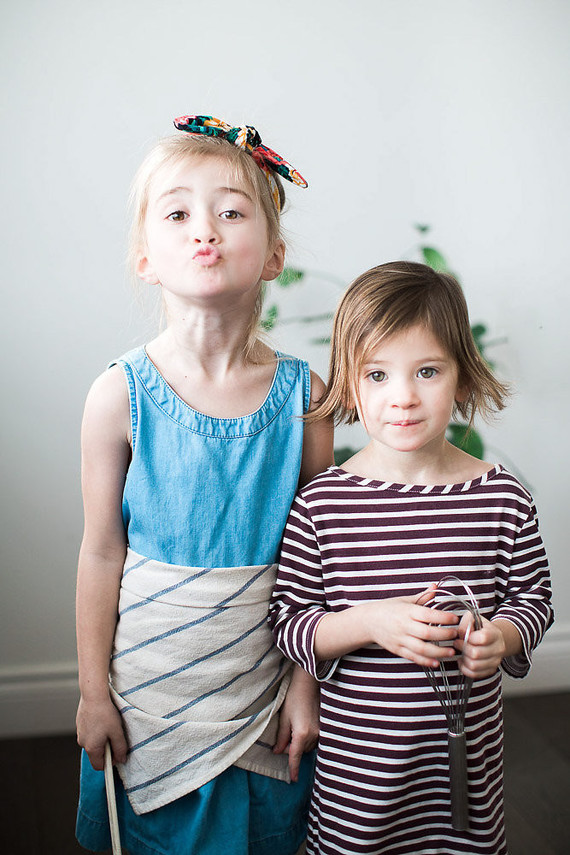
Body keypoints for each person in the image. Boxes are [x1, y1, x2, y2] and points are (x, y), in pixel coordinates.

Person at [75, 114, 334, 855]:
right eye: (179, 212)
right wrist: (93, 692)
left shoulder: (305, 399)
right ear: (145, 256)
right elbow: (100, 554)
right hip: (151, 694)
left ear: (274, 253)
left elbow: (322, 560)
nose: (205, 230)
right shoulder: (117, 395)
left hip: (260, 689)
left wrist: (305, 685)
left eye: (230, 209)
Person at [269, 261, 553, 855]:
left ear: (464, 379)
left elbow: (534, 601)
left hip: (466, 780)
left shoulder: (501, 497)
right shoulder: (324, 503)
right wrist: (370, 621)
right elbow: (289, 623)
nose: (402, 396)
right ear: (348, 382)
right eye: (377, 374)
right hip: (358, 786)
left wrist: (500, 637)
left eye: (427, 371)